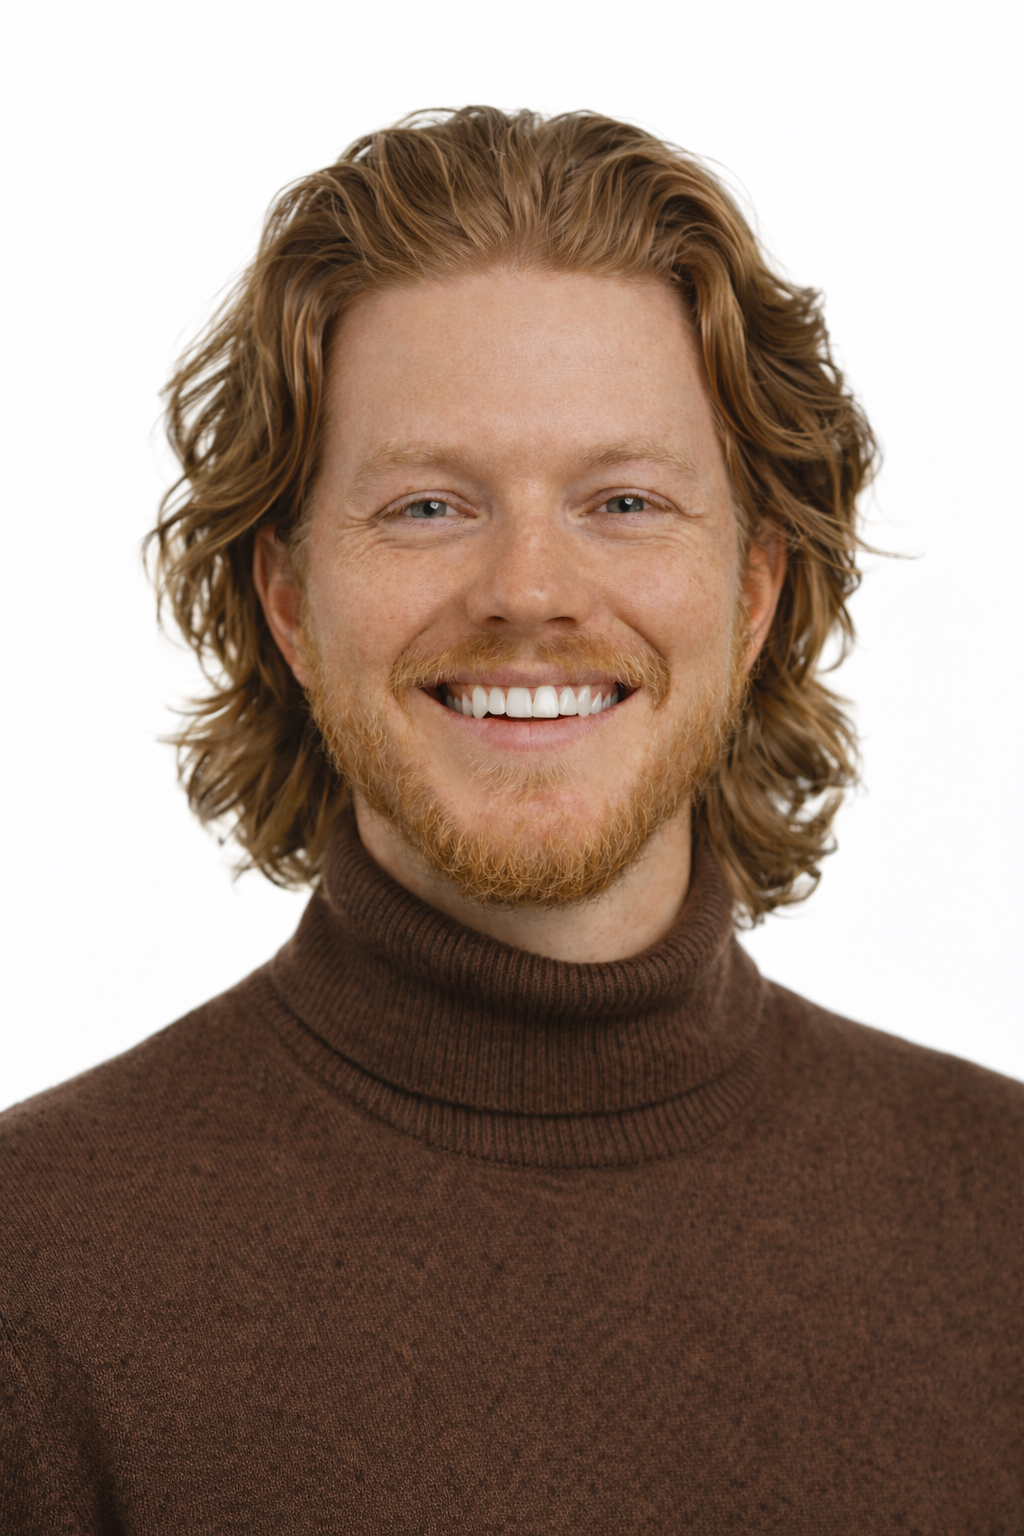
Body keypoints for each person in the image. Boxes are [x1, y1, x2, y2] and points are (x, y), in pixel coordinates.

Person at [2, 107, 1021, 1532]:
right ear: (288, 602)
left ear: (755, 594)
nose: (529, 588)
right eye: (427, 506)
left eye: (623, 499)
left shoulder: (1001, 1217)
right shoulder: (35, 1276)